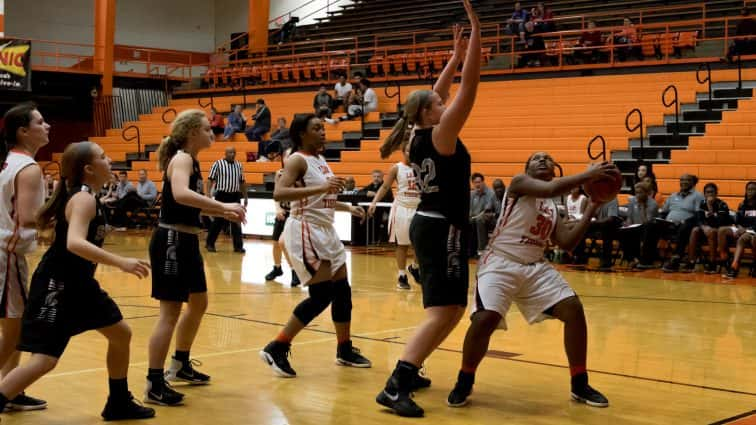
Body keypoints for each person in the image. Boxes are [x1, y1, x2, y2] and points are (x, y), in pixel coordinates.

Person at [374, 2, 481, 416]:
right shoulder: (440, 135)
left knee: (451, 309)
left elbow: (438, 92)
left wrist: (453, 57)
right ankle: (396, 382)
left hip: (437, 224)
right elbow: (469, 90)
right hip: (441, 228)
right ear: (427, 113)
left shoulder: (420, 134)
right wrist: (475, 36)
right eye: (438, 102)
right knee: (443, 312)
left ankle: (411, 368)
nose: (445, 102)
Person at [446, 152, 615, 409]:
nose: (543, 160)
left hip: (535, 266)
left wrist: (592, 205)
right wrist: (589, 175)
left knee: (573, 309)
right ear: (527, 169)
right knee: (485, 318)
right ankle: (464, 379)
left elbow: (568, 244)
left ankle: (579, 383)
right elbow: (551, 189)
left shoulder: (552, 208)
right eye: (536, 158)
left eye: (548, 158)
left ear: (554, 169)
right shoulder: (519, 184)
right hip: (500, 261)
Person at [0, 141, 155, 420]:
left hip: (81, 284)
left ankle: (118, 401)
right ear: (89, 169)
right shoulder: (83, 198)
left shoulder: (87, 196)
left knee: (121, 333)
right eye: (104, 157)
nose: (109, 161)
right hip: (57, 285)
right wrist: (121, 262)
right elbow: (74, 243)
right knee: (44, 360)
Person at [145, 110, 246, 406]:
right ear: (191, 132)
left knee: (199, 303)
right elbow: (180, 194)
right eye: (206, 128)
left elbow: (191, 203)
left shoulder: (192, 159)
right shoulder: (183, 158)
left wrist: (223, 211)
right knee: (170, 313)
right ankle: (153, 382)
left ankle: (179, 364)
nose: (212, 131)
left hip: (186, 238)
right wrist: (221, 204)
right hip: (172, 240)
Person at [259, 114, 371, 378]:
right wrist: (322, 186)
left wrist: (346, 206)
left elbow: (323, 195)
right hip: (305, 229)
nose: (323, 132)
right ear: (301, 134)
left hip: (326, 229)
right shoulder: (297, 159)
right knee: (322, 296)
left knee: (343, 291)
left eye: (323, 127)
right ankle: (277, 346)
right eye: (316, 128)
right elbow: (280, 193)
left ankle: (344, 349)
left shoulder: (320, 160)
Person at [0, 102, 49, 411]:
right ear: (23, 131)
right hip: (8, 255)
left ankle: (9, 390)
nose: (47, 126)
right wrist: (65, 214)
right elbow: (29, 217)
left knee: (12, 327)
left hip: (7, 253)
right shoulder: (28, 167)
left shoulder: (10, 162)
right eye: (40, 122)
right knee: (15, 327)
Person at [368, 141, 421, 290]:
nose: (411, 153)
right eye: (408, 151)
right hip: (402, 208)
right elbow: (385, 187)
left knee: (419, 244)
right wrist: (374, 202)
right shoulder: (397, 168)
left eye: (414, 150)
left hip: (418, 208)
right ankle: (402, 275)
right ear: (403, 152)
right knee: (402, 244)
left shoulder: (422, 167)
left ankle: (415, 268)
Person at [264, 148, 300, 287]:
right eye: (287, 155)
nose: (288, 157)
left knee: (283, 242)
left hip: (295, 213)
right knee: (275, 244)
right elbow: (276, 194)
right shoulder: (279, 174)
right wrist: (277, 208)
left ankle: (295, 270)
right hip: (283, 212)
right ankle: (277, 268)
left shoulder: (299, 175)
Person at [205, 146, 248, 253]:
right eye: (230, 152)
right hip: (222, 195)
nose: (232, 154)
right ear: (225, 153)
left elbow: (242, 182)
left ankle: (238, 246)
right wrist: (207, 194)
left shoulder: (239, 165)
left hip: (235, 196)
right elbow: (210, 180)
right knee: (218, 221)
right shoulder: (218, 164)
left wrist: (246, 196)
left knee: (237, 221)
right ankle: (209, 243)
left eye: (234, 152)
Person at [686, 183, 730, 273]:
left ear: (716, 193)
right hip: (705, 230)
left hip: (718, 231)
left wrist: (710, 208)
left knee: (712, 231)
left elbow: (721, 222)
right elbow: (698, 219)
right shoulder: (701, 204)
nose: (710, 194)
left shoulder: (722, 204)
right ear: (704, 194)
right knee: (695, 230)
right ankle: (691, 262)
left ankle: (712, 262)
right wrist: (703, 227)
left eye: (712, 192)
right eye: (707, 192)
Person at [720, 181, 756, 278]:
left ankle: (734, 267)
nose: (750, 191)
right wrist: (739, 226)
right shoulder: (742, 204)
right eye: (748, 189)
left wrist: (746, 230)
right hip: (743, 229)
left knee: (742, 238)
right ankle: (725, 258)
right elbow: (737, 220)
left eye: (753, 189)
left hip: (753, 231)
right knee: (722, 230)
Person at [619, 182, 658, 267]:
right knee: (623, 231)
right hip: (635, 226)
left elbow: (647, 221)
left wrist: (643, 206)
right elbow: (629, 216)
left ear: (647, 193)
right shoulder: (633, 201)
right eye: (636, 193)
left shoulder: (653, 204)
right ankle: (631, 259)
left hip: (648, 228)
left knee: (647, 229)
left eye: (640, 192)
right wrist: (627, 224)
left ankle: (644, 259)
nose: (638, 195)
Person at [469, 172, 497, 257]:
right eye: (475, 183)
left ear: (483, 182)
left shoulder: (490, 193)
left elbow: (486, 211)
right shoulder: (472, 194)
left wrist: (473, 217)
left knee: (479, 220)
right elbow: (470, 210)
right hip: (475, 218)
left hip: (489, 218)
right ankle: (470, 250)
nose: (477, 185)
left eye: (479, 182)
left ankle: (481, 251)